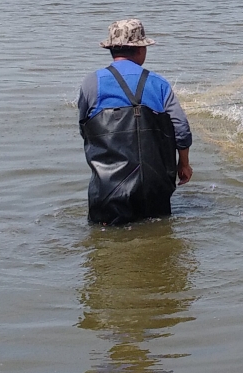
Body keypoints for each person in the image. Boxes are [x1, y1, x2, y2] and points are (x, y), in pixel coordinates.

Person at [77, 17, 193, 225]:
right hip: (155, 187)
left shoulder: (92, 83)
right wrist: (183, 165)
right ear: (140, 50)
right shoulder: (159, 83)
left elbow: (85, 130)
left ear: (112, 50)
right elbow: (182, 129)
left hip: (108, 189)